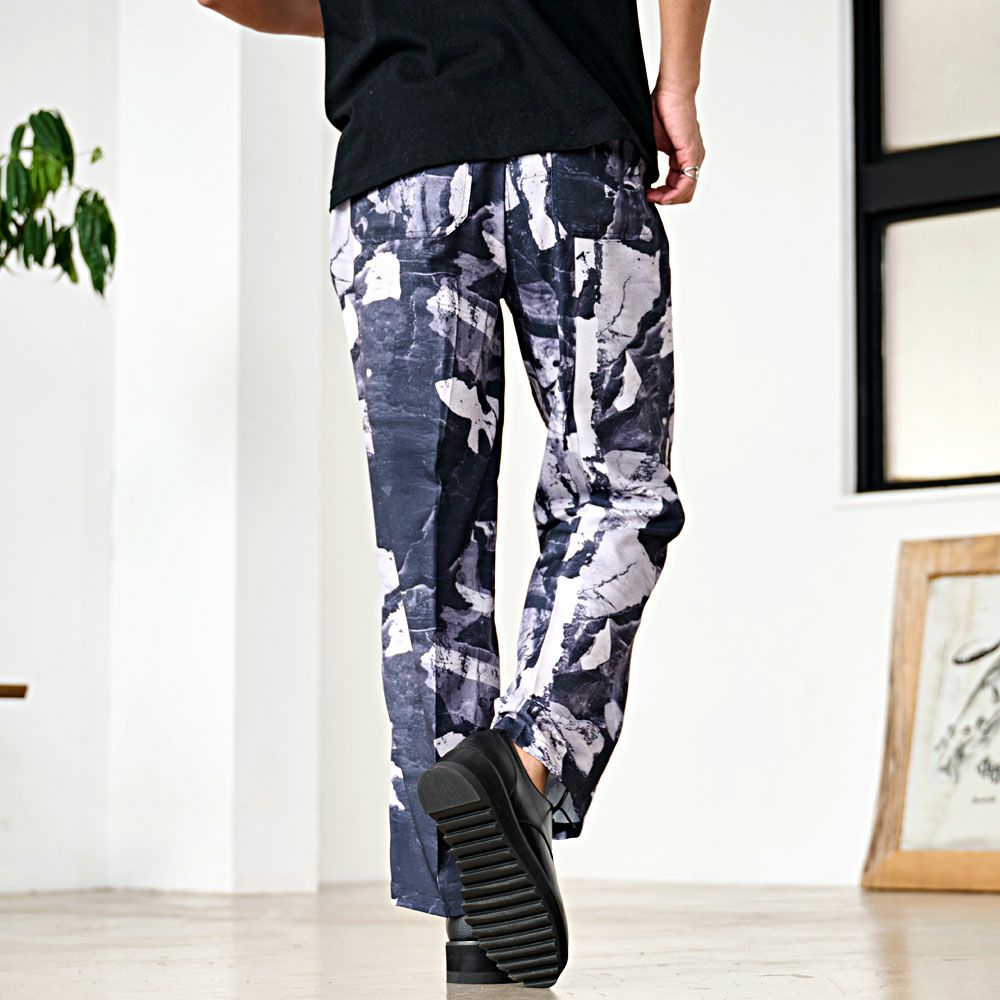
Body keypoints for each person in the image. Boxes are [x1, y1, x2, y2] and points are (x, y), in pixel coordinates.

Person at [199, 0, 710, 988]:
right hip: (569, 143)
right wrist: (678, 83)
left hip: (396, 179)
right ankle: (525, 760)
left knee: (427, 564)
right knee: (616, 491)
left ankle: (475, 922)